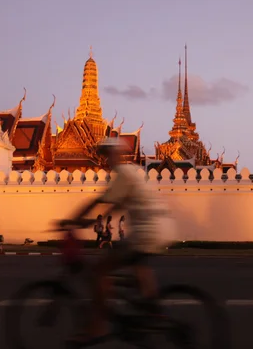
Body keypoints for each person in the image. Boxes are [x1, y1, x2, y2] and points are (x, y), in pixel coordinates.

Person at [58, 137, 173, 345]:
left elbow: (99, 202)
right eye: (105, 156)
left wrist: (74, 220)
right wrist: (87, 221)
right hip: (161, 228)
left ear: (116, 155)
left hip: (146, 232)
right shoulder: (131, 174)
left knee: (99, 272)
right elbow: (111, 207)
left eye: (107, 154)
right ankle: (153, 311)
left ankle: (97, 327)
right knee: (138, 265)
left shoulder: (123, 174)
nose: (106, 160)